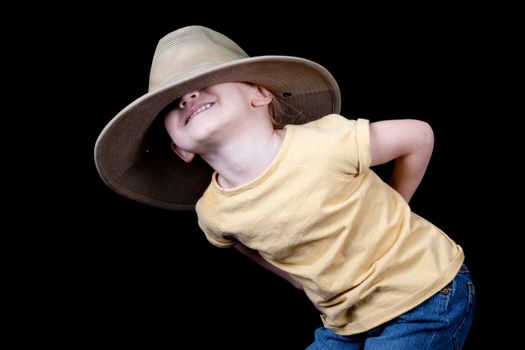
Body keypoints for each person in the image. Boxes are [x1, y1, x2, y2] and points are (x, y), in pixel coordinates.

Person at [94, 25, 475, 349]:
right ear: (180, 148)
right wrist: (294, 278)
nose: (188, 97)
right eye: (173, 103)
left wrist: (397, 202)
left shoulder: (323, 143)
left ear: (259, 94)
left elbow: (418, 135)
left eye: (203, 81)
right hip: (344, 321)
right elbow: (242, 242)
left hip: (424, 292)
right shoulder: (214, 212)